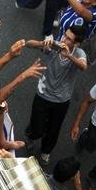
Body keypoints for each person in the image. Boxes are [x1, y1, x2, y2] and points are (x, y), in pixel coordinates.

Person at [23, 24, 87, 164]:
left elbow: (83, 66)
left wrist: (69, 56)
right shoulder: (54, 47)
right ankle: (31, 135)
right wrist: (42, 43)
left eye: (69, 39)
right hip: (42, 94)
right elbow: (28, 44)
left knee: (53, 130)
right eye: (65, 35)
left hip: (61, 100)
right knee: (37, 127)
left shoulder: (79, 53)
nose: (64, 39)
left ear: (76, 43)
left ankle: (46, 151)